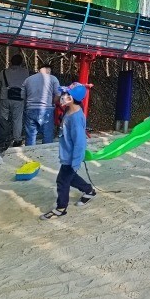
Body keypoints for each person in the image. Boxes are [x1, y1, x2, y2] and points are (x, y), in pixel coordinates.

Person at [41, 84, 95, 219]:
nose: (63, 97)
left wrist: (76, 161)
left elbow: (80, 142)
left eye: (67, 94)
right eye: (64, 94)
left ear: (73, 98)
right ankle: (89, 190)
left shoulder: (76, 118)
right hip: (67, 154)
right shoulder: (69, 111)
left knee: (62, 181)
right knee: (70, 178)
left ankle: (61, 208)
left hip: (71, 156)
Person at [23, 60, 61, 145]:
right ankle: (46, 155)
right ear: (48, 70)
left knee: (30, 135)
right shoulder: (53, 78)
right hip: (46, 110)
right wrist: (52, 102)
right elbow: (58, 94)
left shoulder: (28, 80)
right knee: (47, 134)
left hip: (30, 109)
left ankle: (29, 154)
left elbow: (23, 96)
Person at [0, 53, 30, 147]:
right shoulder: (25, 72)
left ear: (10, 62)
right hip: (18, 98)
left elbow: (0, 82)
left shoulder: (3, 72)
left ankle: (2, 138)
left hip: (5, 97)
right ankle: (17, 139)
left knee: (3, 119)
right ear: (21, 63)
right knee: (17, 119)